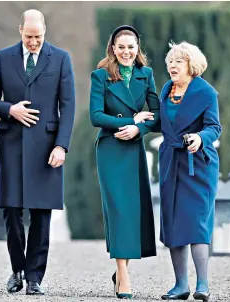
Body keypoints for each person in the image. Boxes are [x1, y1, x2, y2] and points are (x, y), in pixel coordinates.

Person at [0, 9, 75, 295]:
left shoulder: (60, 58)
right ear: (20, 30)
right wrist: (9, 109)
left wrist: (61, 145)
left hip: (47, 148)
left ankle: (35, 277)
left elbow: (68, 105)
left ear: (44, 31)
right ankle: (17, 269)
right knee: (11, 210)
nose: (34, 42)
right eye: (29, 36)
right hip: (12, 144)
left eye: (38, 37)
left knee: (41, 213)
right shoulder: (3, 57)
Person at [89, 25, 160, 299]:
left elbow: (155, 115)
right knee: (118, 211)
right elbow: (96, 116)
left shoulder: (147, 75)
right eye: (121, 47)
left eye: (131, 47)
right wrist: (131, 120)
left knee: (131, 213)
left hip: (134, 150)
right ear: (113, 49)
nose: (126, 52)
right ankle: (125, 276)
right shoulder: (100, 76)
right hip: (110, 149)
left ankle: (121, 271)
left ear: (137, 48)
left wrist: (139, 130)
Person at [158, 42, 221, 301]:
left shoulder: (206, 93)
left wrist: (199, 137)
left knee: (196, 222)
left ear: (191, 65)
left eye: (178, 61)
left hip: (199, 165)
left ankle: (203, 285)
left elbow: (214, 127)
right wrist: (139, 123)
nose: (172, 65)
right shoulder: (166, 90)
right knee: (173, 222)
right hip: (171, 162)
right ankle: (180, 285)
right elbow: (161, 122)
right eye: (170, 61)